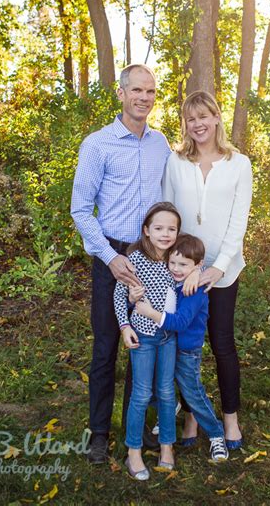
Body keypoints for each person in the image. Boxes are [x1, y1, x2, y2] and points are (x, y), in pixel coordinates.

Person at [70, 64, 171, 464]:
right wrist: (110, 258)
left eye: (150, 92)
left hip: (150, 258)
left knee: (144, 342)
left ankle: (136, 427)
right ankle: (98, 433)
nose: (144, 98)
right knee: (107, 346)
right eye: (137, 91)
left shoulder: (160, 143)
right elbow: (80, 209)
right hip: (111, 255)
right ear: (121, 93)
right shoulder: (97, 144)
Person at [162, 90, 253, 449]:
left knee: (221, 343)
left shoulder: (238, 164)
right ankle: (191, 418)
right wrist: (182, 268)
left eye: (204, 116)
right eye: (190, 118)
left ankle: (230, 420)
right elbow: (168, 212)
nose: (198, 124)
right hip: (182, 273)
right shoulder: (176, 161)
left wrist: (216, 268)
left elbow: (238, 223)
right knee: (185, 345)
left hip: (223, 271)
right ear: (185, 123)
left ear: (216, 118)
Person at [134, 233, 229, 462]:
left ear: (197, 266)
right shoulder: (171, 279)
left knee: (193, 394)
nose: (176, 268)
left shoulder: (194, 290)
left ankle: (216, 435)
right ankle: (171, 405)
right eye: (173, 262)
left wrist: (150, 313)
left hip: (186, 350)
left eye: (183, 265)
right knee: (155, 386)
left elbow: (180, 322)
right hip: (166, 344)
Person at [114, 202, 181, 480]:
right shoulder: (136, 259)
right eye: (159, 228)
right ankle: (133, 451)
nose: (165, 234)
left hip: (169, 337)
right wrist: (124, 325)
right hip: (142, 335)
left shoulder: (177, 258)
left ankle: (167, 446)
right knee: (141, 394)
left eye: (172, 228)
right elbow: (120, 295)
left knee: (166, 392)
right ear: (146, 230)